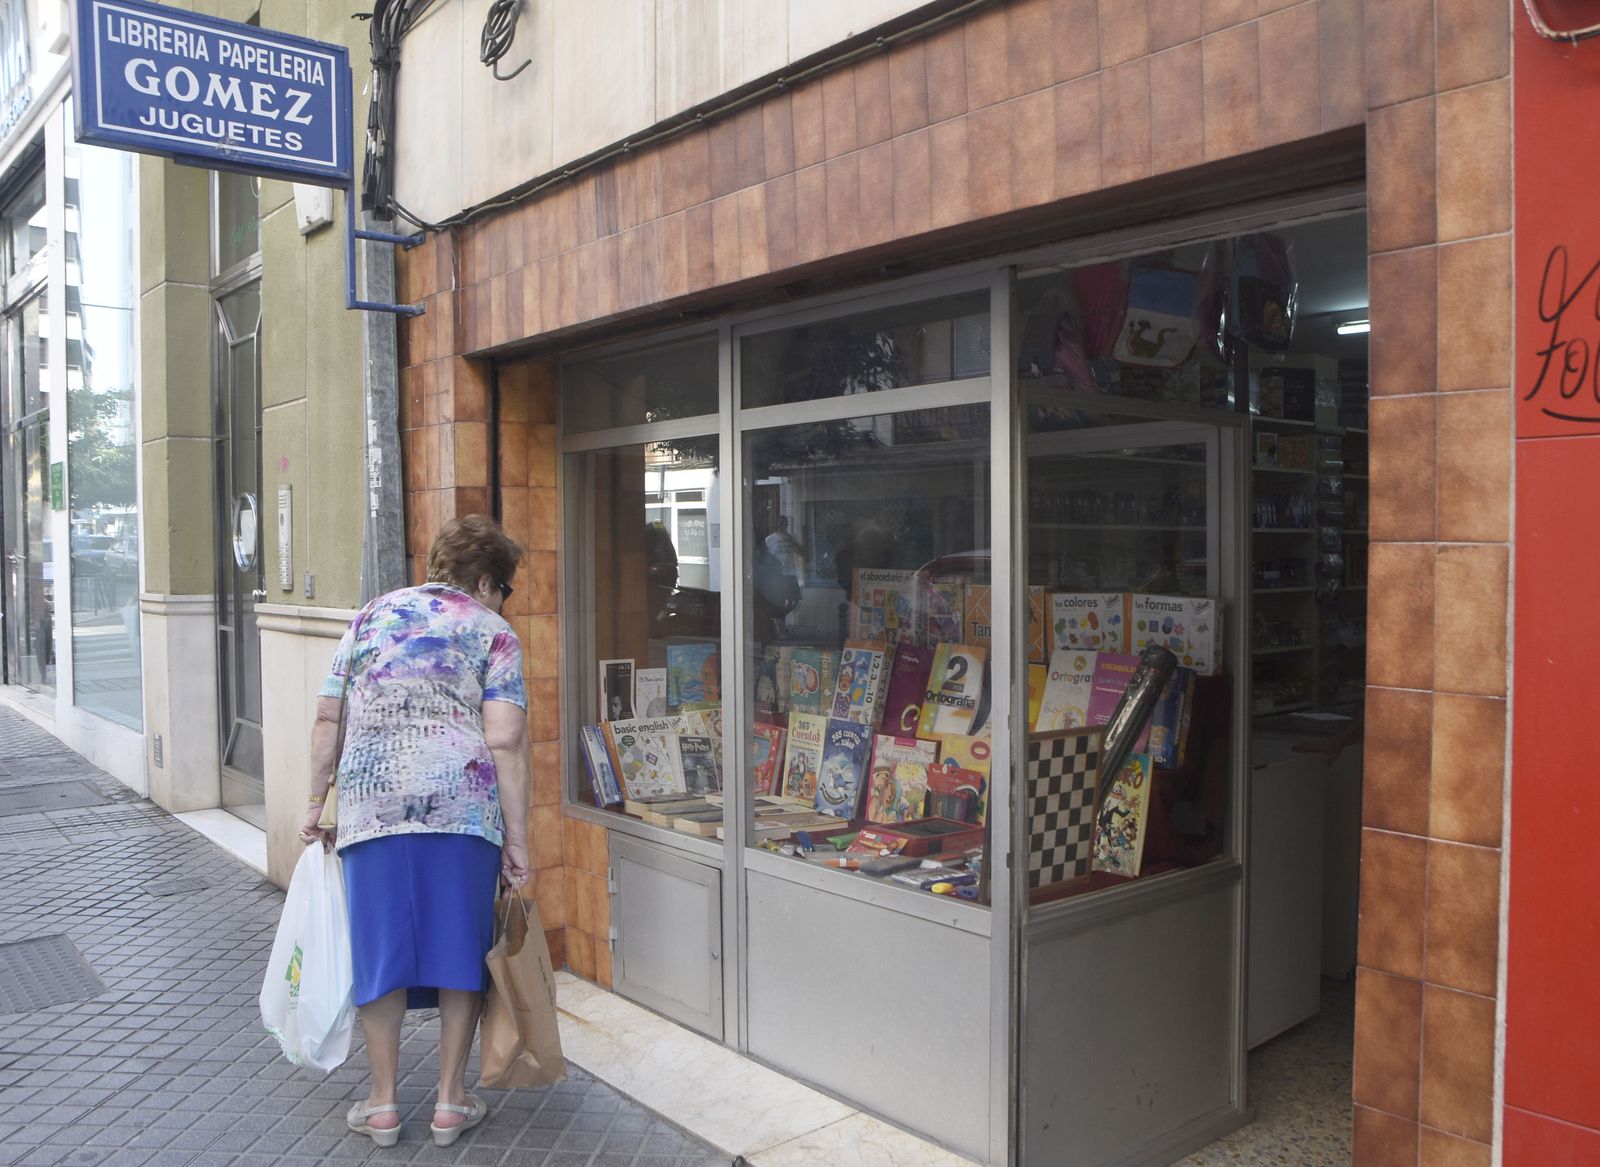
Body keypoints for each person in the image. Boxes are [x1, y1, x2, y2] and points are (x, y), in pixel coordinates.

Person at [299, 514, 533, 1150]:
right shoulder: (493, 632)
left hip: (371, 809)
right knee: (461, 953)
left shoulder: (372, 615)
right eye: (505, 587)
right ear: (486, 581)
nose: (504, 600)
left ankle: (380, 1105)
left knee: (380, 954)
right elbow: (505, 740)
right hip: (463, 811)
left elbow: (328, 718)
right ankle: (451, 1104)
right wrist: (518, 843)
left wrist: (315, 804)